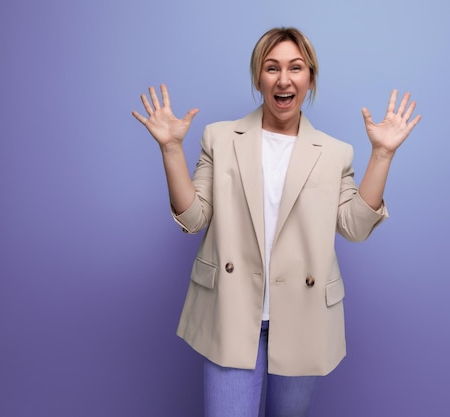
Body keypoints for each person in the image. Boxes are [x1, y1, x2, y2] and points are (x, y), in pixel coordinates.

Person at [133, 27, 421, 417]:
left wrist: (382, 156)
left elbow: (354, 226)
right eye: (272, 68)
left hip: (304, 316)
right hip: (232, 313)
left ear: (310, 79)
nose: (284, 79)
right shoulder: (220, 138)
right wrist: (170, 149)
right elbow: (194, 217)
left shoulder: (336, 152)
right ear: (258, 78)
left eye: (295, 68)